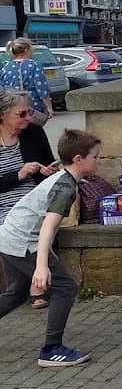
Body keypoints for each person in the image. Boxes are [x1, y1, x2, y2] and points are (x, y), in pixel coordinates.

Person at [0, 128, 101, 367]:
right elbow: (47, 227)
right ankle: (51, 349)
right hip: (21, 240)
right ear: (78, 159)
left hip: (8, 235)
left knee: (17, 292)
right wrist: (42, 266)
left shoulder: (64, 178)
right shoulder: (65, 188)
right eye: (95, 157)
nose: (99, 161)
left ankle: (52, 347)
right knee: (65, 288)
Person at [0, 89, 58, 309]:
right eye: (22, 114)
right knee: (10, 225)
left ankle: (23, 286)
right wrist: (18, 175)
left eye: (30, 112)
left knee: (34, 220)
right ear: (3, 114)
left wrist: (47, 171)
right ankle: (29, 284)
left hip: (31, 199)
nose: (28, 118)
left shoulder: (34, 132)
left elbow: (49, 162)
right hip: (3, 202)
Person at [1, 38, 54, 123]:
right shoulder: (34, 65)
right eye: (31, 49)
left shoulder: (6, 67)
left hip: (12, 108)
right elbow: (41, 88)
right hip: (32, 107)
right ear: (26, 50)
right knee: (33, 132)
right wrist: (49, 107)